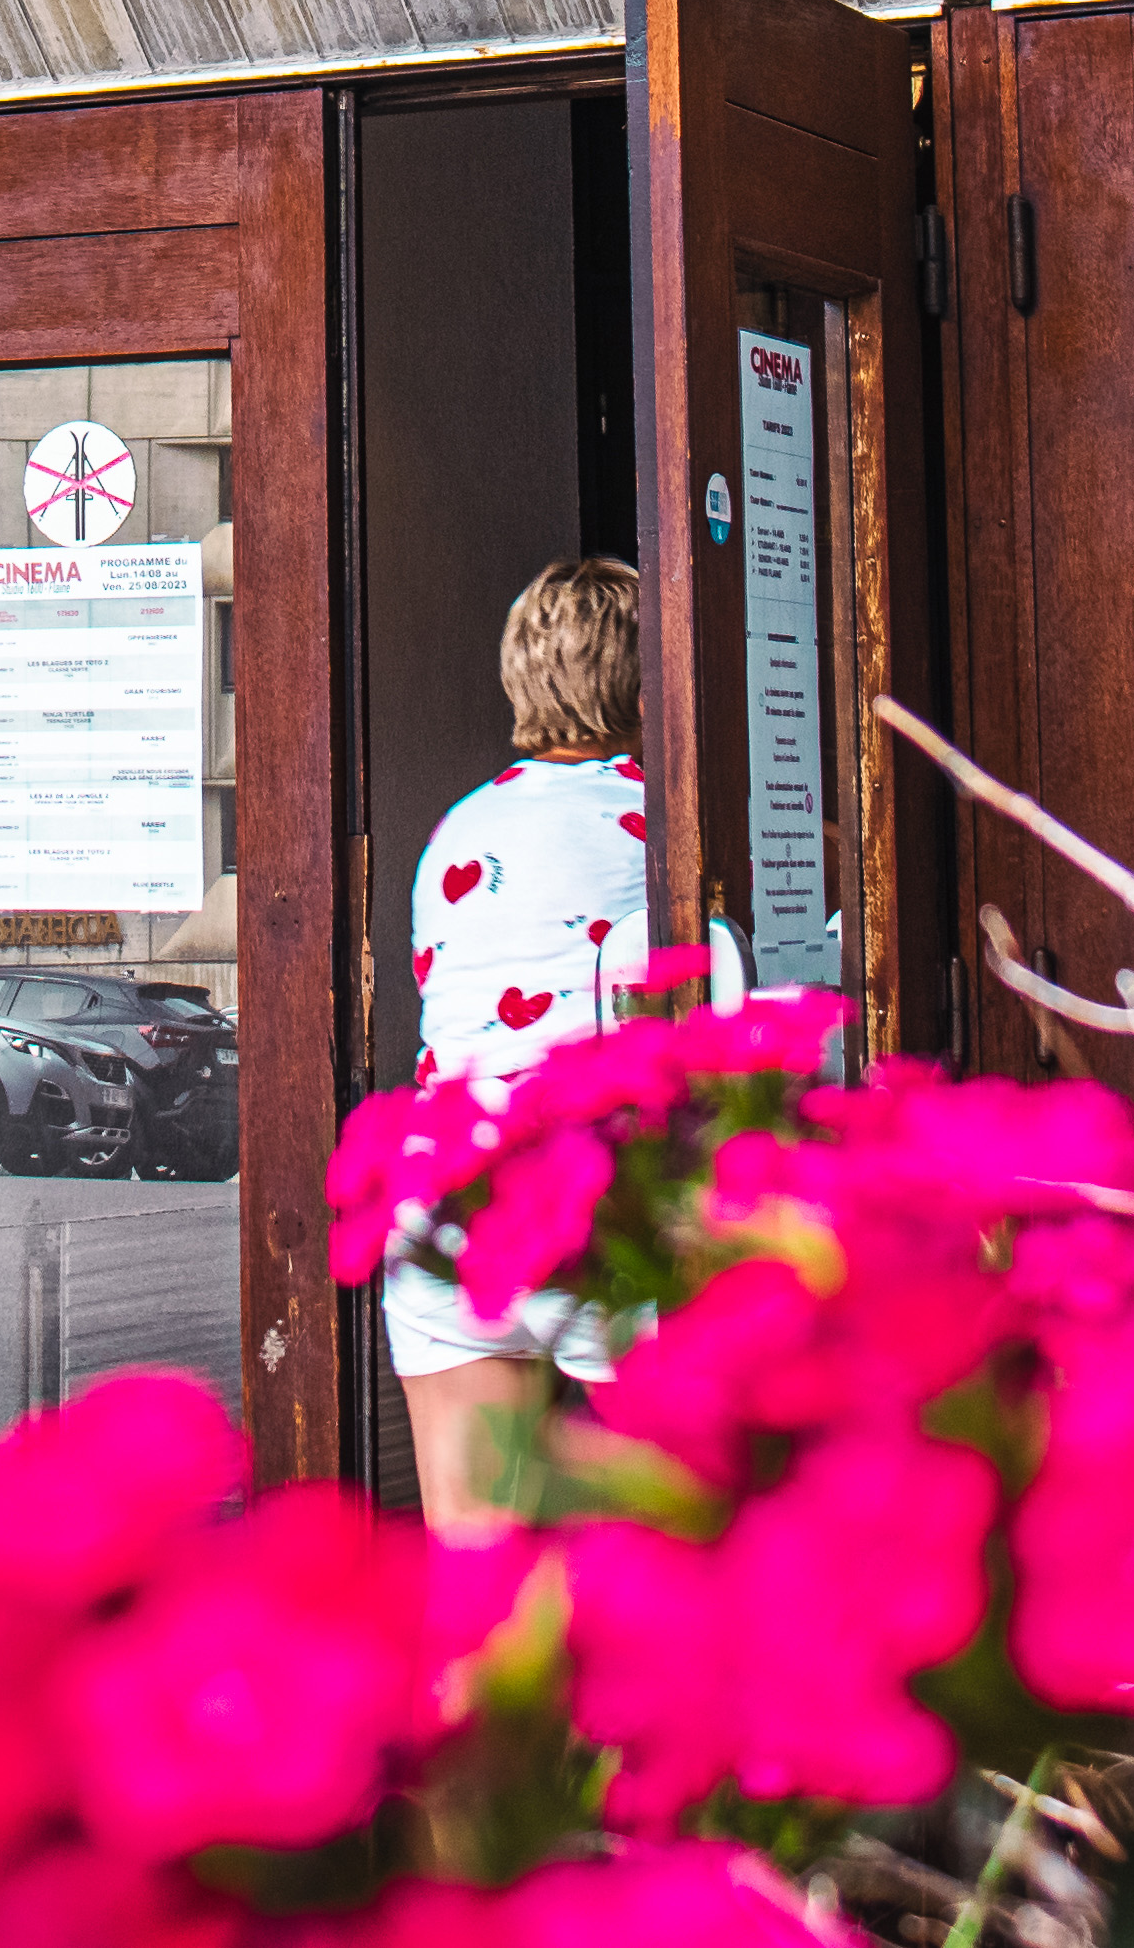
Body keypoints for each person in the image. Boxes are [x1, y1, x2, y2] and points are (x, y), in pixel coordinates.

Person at [389, 554, 677, 1537]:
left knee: (475, 1560)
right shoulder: (671, 817)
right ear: (654, 673)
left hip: (449, 1186)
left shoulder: (461, 826)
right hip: (594, 1183)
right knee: (669, 1544)